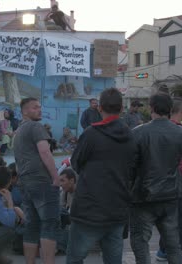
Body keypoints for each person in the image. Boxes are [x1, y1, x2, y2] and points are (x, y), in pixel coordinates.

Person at [67, 88, 137, 264]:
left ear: (99, 108)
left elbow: (76, 163)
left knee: (75, 258)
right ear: (122, 108)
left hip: (89, 208)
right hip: (118, 208)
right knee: (113, 260)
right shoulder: (131, 135)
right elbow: (134, 169)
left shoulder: (91, 134)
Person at [130, 93, 182, 263]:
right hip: (171, 193)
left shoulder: (138, 133)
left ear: (151, 108)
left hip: (144, 195)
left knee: (140, 241)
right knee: (173, 244)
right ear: (170, 109)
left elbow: (131, 166)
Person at [13, 97, 60, 264]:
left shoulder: (18, 132)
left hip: (25, 183)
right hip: (41, 182)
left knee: (31, 227)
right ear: (25, 111)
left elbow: (18, 161)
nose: (39, 110)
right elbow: (45, 153)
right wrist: (56, 177)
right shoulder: (36, 127)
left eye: (40, 107)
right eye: (35, 108)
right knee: (49, 224)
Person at [156, 99, 182, 263]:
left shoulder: (157, 129)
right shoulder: (181, 132)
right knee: (181, 221)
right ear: (180, 112)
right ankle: (177, 253)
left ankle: (163, 250)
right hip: (179, 180)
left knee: (167, 218)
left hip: (162, 180)